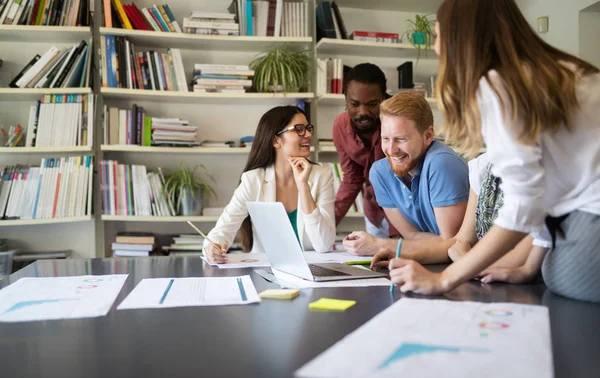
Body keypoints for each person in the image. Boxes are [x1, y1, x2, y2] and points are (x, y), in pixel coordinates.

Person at [388, 0, 600, 303]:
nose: (436, 48)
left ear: (461, 39)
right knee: (548, 268)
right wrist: (528, 267)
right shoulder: (561, 70)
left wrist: (443, 278)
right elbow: (548, 192)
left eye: (438, 36)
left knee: (560, 275)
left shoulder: (499, 86)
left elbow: (524, 205)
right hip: (580, 212)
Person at [371, 153, 551, 279]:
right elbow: (460, 240)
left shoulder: (545, 170)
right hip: (485, 278)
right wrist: (406, 256)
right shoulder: (483, 165)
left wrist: (463, 257)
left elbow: (515, 262)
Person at [202, 106, 335, 264]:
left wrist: (303, 187)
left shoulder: (322, 176)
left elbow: (323, 245)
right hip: (265, 270)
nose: (308, 134)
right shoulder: (253, 180)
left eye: (308, 128)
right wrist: (212, 248)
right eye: (298, 129)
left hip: (312, 269)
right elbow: (222, 230)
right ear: (276, 140)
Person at [344, 92, 469, 256]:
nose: (391, 150)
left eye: (401, 139)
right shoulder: (380, 173)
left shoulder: (442, 163)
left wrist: (378, 245)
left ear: (428, 136)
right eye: (386, 139)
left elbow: (454, 244)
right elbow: (412, 236)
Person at [332, 63, 396, 238]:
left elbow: (409, 179)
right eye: (354, 104)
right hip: (375, 214)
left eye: (372, 104)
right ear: (345, 98)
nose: (363, 112)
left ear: (384, 98)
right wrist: (327, 225)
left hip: (408, 214)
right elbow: (352, 178)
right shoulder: (340, 126)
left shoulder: (399, 120)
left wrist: (399, 234)